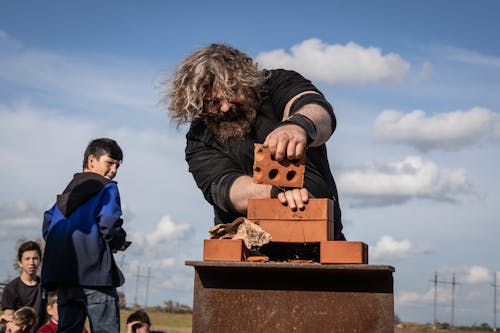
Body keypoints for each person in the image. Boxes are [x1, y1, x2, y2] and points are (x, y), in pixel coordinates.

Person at [166, 43, 345, 240]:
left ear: (247, 80)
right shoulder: (199, 136)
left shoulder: (278, 83)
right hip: (247, 247)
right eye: (214, 103)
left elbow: (316, 109)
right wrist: (275, 191)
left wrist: (298, 125)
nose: (225, 107)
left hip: (322, 238)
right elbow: (226, 189)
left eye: (232, 92)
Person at [41, 138, 128, 333]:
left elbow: (48, 223)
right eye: (110, 163)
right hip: (95, 276)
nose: (114, 170)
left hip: (65, 277)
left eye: (117, 166)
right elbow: (109, 222)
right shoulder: (108, 188)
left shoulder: (68, 192)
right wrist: (118, 241)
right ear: (91, 161)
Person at [1, 241, 45, 333]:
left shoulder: (46, 287)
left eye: (35, 258)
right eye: (27, 259)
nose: (31, 262)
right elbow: (9, 321)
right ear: (20, 263)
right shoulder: (11, 289)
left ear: (40, 261)